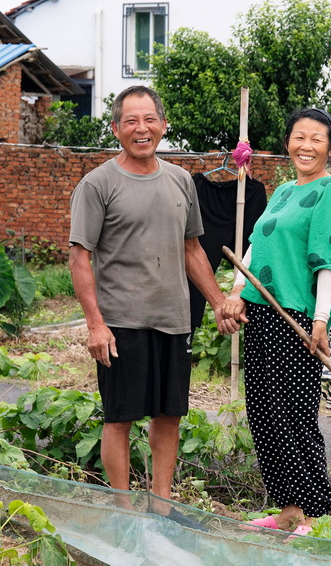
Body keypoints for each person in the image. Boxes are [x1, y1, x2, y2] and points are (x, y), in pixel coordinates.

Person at [68, 85, 240, 502]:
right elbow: (79, 257)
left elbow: (192, 250)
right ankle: (124, 510)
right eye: (131, 121)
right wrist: (96, 325)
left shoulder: (182, 180)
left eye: (149, 120)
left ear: (163, 125)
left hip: (174, 318)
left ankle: (161, 505)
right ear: (115, 129)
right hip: (121, 323)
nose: (141, 129)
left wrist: (218, 302)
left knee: (169, 415)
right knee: (120, 418)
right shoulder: (97, 184)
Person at [223, 108, 331, 535]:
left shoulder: (330, 191)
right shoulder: (281, 192)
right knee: (265, 415)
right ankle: (288, 510)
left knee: (295, 415)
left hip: (296, 317)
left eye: (317, 139)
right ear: (287, 142)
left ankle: (314, 513)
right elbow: (258, 246)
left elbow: (328, 255)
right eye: (299, 137)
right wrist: (238, 294)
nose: (306, 146)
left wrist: (321, 317)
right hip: (263, 313)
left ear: (330, 147)